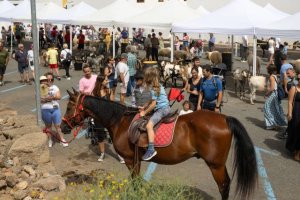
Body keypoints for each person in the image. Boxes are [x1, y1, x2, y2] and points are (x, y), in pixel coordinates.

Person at [139, 67, 171, 160]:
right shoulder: (158, 85)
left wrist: (144, 113)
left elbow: (153, 104)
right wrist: (144, 106)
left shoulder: (154, 88)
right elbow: (151, 100)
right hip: (166, 108)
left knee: (149, 126)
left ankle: (151, 149)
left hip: (162, 110)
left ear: (148, 77)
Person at [40, 73, 68, 148]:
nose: (49, 81)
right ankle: (50, 140)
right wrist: (50, 98)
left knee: (58, 126)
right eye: (48, 79)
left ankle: (62, 139)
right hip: (45, 109)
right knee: (48, 126)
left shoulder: (55, 87)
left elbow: (59, 97)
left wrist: (49, 98)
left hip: (55, 109)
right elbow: (39, 100)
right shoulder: (40, 87)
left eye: (51, 79)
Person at [264, 64, 286, 130]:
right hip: (275, 94)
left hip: (273, 94)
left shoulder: (271, 77)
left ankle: (271, 124)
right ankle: (275, 123)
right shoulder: (275, 76)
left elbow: (272, 88)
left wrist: (266, 94)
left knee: (267, 108)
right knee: (275, 109)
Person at [285, 73, 300, 161]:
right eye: (299, 79)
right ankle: (294, 150)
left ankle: (298, 151)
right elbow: (290, 102)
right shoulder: (294, 89)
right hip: (296, 112)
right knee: (295, 131)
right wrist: (290, 114)